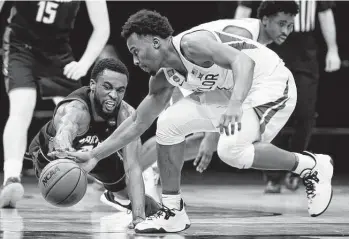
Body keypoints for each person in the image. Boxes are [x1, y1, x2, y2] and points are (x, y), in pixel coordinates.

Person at [60, 9, 334, 233]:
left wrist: (235, 105)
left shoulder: (192, 43)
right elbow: (136, 124)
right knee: (167, 123)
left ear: (155, 42)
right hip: (229, 94)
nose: (134, 60)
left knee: (230, 150)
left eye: (136, 51)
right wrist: (95, 155)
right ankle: (173, 210)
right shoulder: (162, 78)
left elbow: (244, 64)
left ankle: (312, 165)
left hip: (271, 84)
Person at [141, 1, 299, 175]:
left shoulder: (257, 41)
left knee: (204, 137)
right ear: (265, 19)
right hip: (189, 75)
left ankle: (147, 172)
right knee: (176, 133)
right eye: (281, 24)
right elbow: (220, 82)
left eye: (290, 26)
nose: (285, 31)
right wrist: (211, 137)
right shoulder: (243, 34)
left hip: (200, 79)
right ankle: (133, 176)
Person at [0, 1, 110, 208]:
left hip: (57, 51)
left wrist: (84, 63)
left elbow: (102, 28)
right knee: (21, 107)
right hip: (19, 46)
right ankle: (11, 178)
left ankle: (89, 166)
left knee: (77, 113)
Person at [28, 58, 160, 228]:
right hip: (53, 154)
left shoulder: (127, 115)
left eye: (120, 90)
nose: (114, 95)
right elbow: (65, 130)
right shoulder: (76, 109)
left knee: (146, 206)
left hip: (98, 151)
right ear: (92, 85)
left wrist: (139, 219)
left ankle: (118, 197)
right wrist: (64, 149)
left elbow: (133, 167)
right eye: (107, 87)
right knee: (60, 184)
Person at [235, 0, 341, 193]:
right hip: (270, 44)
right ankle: (273, 176)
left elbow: (325, 13)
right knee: (268, 112)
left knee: (305, 113)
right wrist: (235, 47)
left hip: (304, 51)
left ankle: (296, 169)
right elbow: (243, 10)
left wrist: (333, 49)